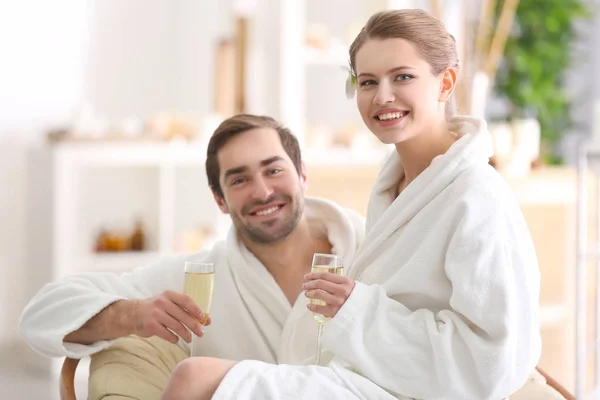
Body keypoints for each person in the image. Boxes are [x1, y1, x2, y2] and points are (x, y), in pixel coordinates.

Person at [161, 9, 542, 400]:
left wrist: (357, 308)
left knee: (195, 378)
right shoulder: (397, 188)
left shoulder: (476, 197)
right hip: (373, 380)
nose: (382, 96)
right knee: (193, 375)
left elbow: (491, 363)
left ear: (445, 82)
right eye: (368, 82)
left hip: (407, 391)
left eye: (403, 77)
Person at [18, 114, 365, 398]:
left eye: (274, 170)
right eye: (240, 179)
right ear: (220, 201)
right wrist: (132, 315)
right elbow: (39, 315)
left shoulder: (371, 248)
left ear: (303, 175)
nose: (262, 191)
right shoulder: (201, 277)